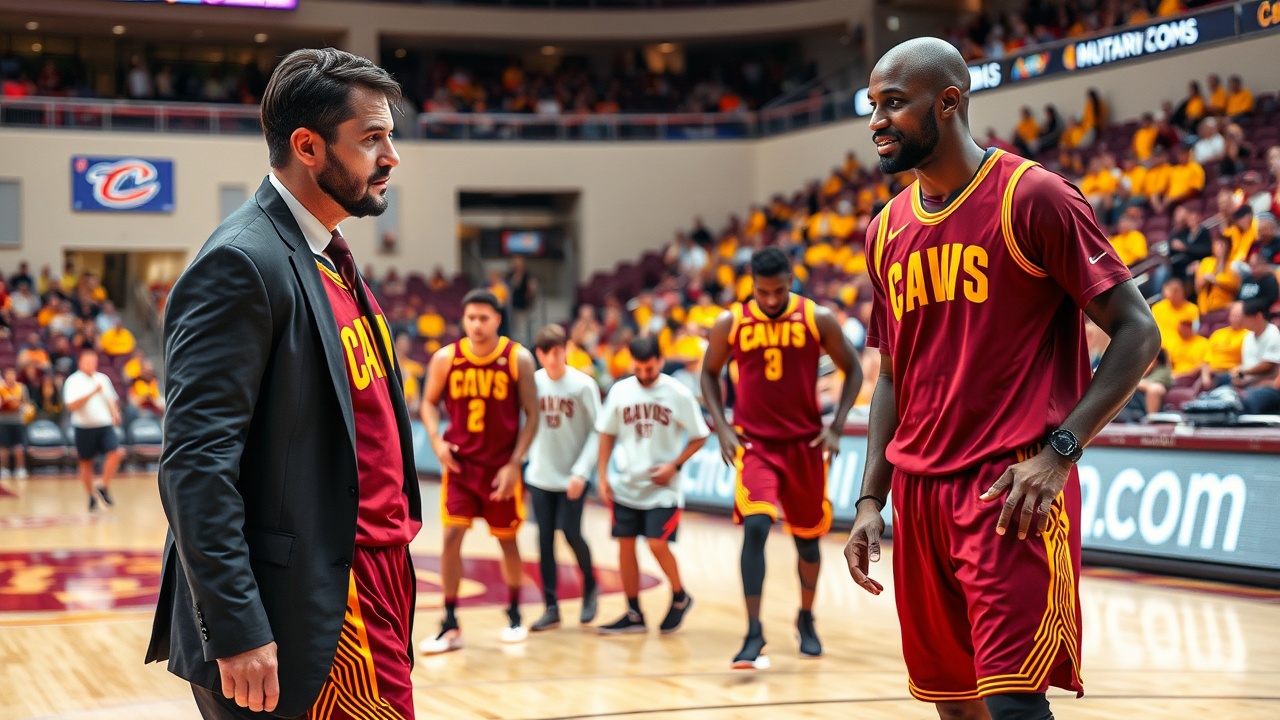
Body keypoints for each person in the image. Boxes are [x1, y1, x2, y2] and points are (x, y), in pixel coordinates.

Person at [844, 38, 1160, 720]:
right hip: (919, 494)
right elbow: (891, 376)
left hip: (1009, 486)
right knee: (955, 707)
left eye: (893, 103)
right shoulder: (886, 230)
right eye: (872, 104)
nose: (876, 121)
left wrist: (1061, 452)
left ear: (948, 101)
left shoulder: (1034, 196)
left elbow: (1139, 331)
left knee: (1014, 703)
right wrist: (871, 498)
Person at [145, 48, 423, 720]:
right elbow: (195, 465)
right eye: (371, 139)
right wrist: (237, 628)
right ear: (307, 146)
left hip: (372, 573)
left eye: (390, 137)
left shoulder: (325, 252)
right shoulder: (241, 262)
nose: (391, 157)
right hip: (315, 597)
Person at [699, 246, 863, 670]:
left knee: (807, 541)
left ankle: (806, 618)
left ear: (790, 281)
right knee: (756, 526)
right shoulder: (731, 322)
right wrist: (722, 426)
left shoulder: (816, 318)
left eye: (778, 291)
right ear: (752, 286)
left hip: (805, 445)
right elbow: (709, 374)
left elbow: (855, 370)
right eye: (762, 292)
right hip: (756, 445)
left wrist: (837, 425)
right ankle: (753, 632)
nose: (771, 299)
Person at [419, 289, 539, 654]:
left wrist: (515, 463)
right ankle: (450, 622)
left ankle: (515, 615)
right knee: (451, 538)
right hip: (461, 466)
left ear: (497, 320)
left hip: (501, 470)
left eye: (483, 318)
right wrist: (436, 441)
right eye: (471, 317)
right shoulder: (446, 358)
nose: (476, 324)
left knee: (507, 540)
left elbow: (533, 415)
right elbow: (427, 403)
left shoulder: (518, 358)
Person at [595, 336, 709, 635]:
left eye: (650, 368)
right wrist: (603, 476)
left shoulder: (677, 393)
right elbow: (606, 433)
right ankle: (633, 613)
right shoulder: (620, 391)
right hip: (626, 484)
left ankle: (680, 595)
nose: (644, 375)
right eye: (638, 369)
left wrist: (675, 465)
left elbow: (700, 435)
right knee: (625, 545)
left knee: (657, 543)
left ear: (660, 361)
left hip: (663, 488)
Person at [526, 324, 602, 632]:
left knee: (571, 533)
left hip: (573, 476)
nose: (554, 359)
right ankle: (551, 606)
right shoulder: (532, 383)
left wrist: (582, 471)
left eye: (559, 352)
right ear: (539, 354)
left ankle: (591, 585)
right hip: (540, 475)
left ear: (566, 350)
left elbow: (599, 431)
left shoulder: (583, 385)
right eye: (548, 353)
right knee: (544, 540)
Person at [62, 349, 125, 511]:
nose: (91, 365)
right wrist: (92, 392)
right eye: (88, 362)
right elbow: (71, 406)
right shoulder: (73, 381)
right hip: (84, 427)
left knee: (116, 452)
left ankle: (103, 485)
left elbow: (110, 399)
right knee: (86, 463)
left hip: (104, 425)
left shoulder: (102, 378)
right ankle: (90, 495)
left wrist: (115, 413)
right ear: (80, 363)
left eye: (93, 361)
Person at [0, 367, 31, 480]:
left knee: (19, 447)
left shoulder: (21, 388)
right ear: (5, 375)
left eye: (12, 374)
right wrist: (5, 404)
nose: (10, 376)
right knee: (3, 447)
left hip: (18, 421)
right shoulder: (1, 388)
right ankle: (4, 469)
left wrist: (19, 405)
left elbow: (26, 404)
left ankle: (20, 469)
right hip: (3, 421)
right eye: (8, 374)